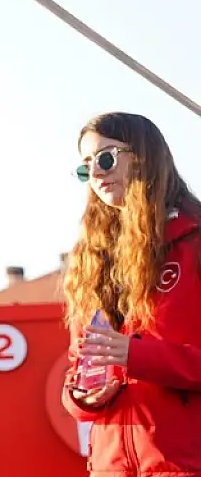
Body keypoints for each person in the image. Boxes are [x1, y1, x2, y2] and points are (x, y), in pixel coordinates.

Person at [61, 112, 201, 474]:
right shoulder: (92, 261)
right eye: (86, 166)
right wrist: (84, 396)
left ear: (143, 156)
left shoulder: (194, 243)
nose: (96, 173)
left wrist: (135, 356)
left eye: (106, 158)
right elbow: (78, 370)